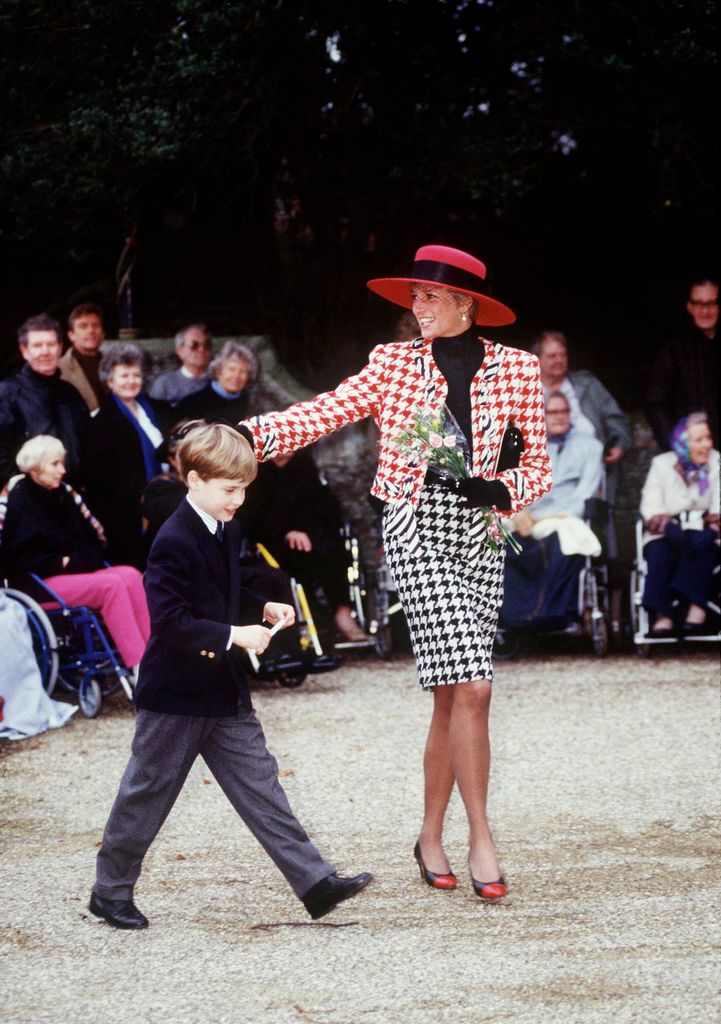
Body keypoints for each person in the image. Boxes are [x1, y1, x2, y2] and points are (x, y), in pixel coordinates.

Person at [238, 244, 552, 899]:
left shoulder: (518, 369)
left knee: (451, 692)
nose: (415, 307)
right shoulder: (392, 363)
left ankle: (429, 835)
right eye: (413, 297)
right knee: (475, 687)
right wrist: (250, 437)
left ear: (465, 303)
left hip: (482, 534)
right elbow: (324, 410)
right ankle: (481, 839)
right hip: (414, 527)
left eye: (428, 297)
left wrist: (496, 493)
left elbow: (536, 469)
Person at [89, 421, 371, 929]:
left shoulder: (226, 526)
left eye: (243, 488)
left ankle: (315, 883)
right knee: (147, 791)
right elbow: (172, 622)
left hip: (224, 690)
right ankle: (109, 891)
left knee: (262, 784)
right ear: (193, 480)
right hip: (175, 695)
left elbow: (223, 593)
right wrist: (236, 636)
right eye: (229, 489)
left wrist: (262, 607)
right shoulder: (171, 539)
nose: (238, 499)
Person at [0, 436, 150, 675]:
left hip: (77, 571)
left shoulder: (64, 495)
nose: (63, 469)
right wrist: (63, 561)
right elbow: (17, 555)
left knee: (131, 575)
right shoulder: (19, 499)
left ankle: (157, 657)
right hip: (40, 584)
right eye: (55, 464)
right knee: (111, 585)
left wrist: (73, 560)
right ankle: (140, 666)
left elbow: (91, 539)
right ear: (36, 467)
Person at [239, 447, 367, 642]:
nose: (284, 453)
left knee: (336, 552)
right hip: (273, 540)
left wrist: (308, 531)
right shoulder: (257, 472)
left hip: (312, 534)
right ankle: (312, 619)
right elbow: (254, 516)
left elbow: (324, 506)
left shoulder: (304, 465)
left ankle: (342, 611)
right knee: (297, 560)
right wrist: (287, 531)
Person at [501, 392, 604, 632]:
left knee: (564, 535)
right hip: (529, 515)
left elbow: (585, 494)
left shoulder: (591, 447)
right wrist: (519, 512)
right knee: (497, 534)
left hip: (565, 514)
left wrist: (550, 517)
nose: (559, 417)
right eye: (552, 412)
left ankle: (551, 611)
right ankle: (514, 612)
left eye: (563, 412)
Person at [83, 343, 166, 568]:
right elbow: (101, 478)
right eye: (124, 375)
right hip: (126, 509)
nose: (131, 380)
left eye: (136, 374)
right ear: (109, 381)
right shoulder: (101, 422)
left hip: (158, 496)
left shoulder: (150, 409)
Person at [639, 412, 719, 636]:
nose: (706, 445)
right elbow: (650, 502)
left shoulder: (717, 461)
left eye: (708, 438)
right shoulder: (661, 464)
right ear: (683, 443)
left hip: (704, 529)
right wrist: (665, 525)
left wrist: (714, 529)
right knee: (659, 553)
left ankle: (696, 608)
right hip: (667, 531)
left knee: (703, 548)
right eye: (698, 440)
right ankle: (663, 615)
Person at [533, 329, 630, 502]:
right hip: (541, 470)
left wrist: (619, 445)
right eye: (552, 356)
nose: (559, 360)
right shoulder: (526, 391)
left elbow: (615, 419)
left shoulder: (587, 384)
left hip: (589, 468)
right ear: (537, 358)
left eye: (563, 355)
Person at [0, 314, 89, 491]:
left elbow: (86, 441)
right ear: (24, 351)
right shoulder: (8, 392)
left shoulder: (70, 393)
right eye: (37, 345)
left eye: (51, 344)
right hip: (28, 497)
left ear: (60, 348)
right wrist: (16, 486)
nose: (45, 351)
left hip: (71, 494)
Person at [646, 278, 719, 449]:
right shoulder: (673, 350)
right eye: (698, 304)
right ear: (690, 307)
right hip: (691, 450)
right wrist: (677, 448)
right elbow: (656, 404)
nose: (705, 311)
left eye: (711, 303)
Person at [177, 339, 293, 423]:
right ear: (218, 372)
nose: (236, 376)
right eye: (231, 369)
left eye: (242, 372)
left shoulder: (253, 404)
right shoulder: (192, 403)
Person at [149, 323, 213, 405]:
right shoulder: (164, 384)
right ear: (179, 351)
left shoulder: (219, 382)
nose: (201, 349)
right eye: (194, 345)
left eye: (206, 345)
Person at [59, 303, 106, 413]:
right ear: (71, 335)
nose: (90, 331)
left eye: (95, 325)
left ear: (103, 334)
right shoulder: (60, 369)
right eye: (83, 326)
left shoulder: (115, 363)